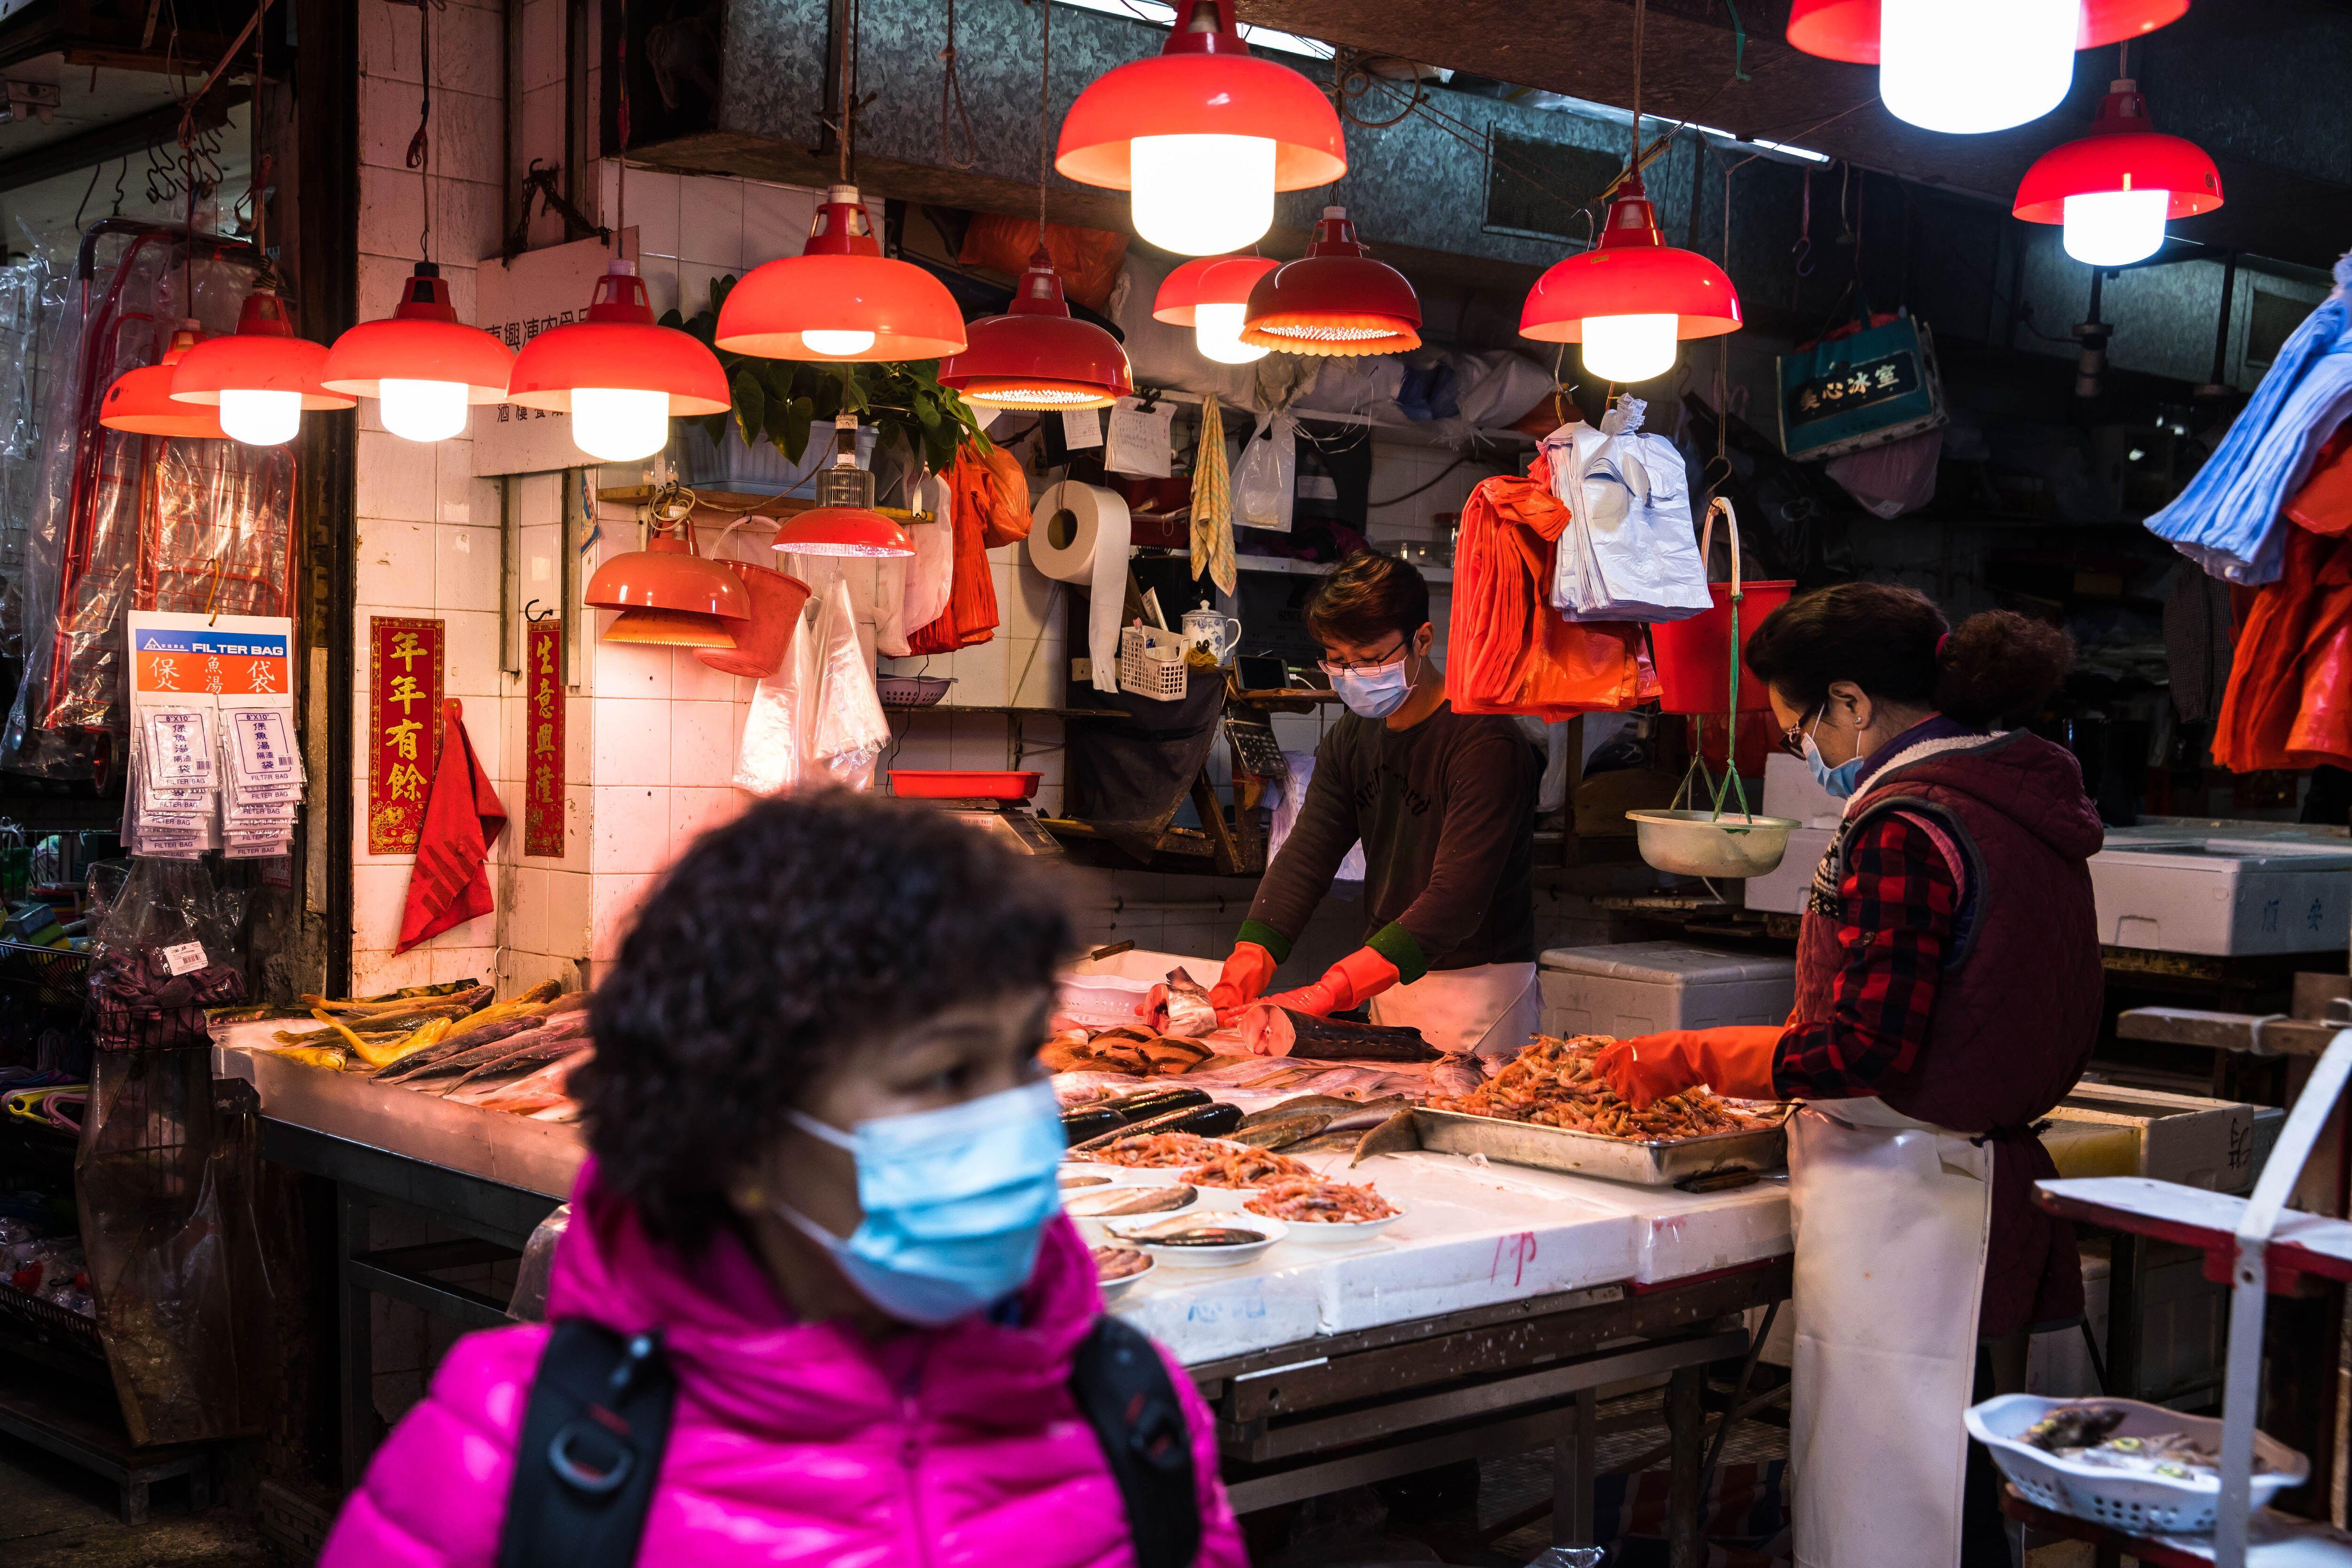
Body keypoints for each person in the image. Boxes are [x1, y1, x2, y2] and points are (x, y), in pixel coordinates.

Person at [320, 793, 1246, 1568]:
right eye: (944, 1076)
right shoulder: (514, 1456)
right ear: (743, 1127)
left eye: (1022, 1061)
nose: (1016, 1120)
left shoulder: (1130, 1413)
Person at [1594, 583, 2102, 1568]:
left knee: (1899, 1500)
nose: (1800, 753)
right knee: (1947, 1493)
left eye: (1795, 731)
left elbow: (1864, 1049)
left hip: (1911, 1193)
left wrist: (1693, 1055)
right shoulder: (2017, 800)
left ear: (1852, 703)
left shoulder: (1908, 824)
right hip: (1971, 1176)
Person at [1210, 549, 1543, 1057]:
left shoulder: (1483, 742)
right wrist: (1242, 970)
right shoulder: (1354, 735)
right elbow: (1306, 855)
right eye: (1337, 661)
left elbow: (1456, 902)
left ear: (1423, 640)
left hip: (1478, 989)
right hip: (1386, 983)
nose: (1353, 677)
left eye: (1369, 660)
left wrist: (1329, 990)